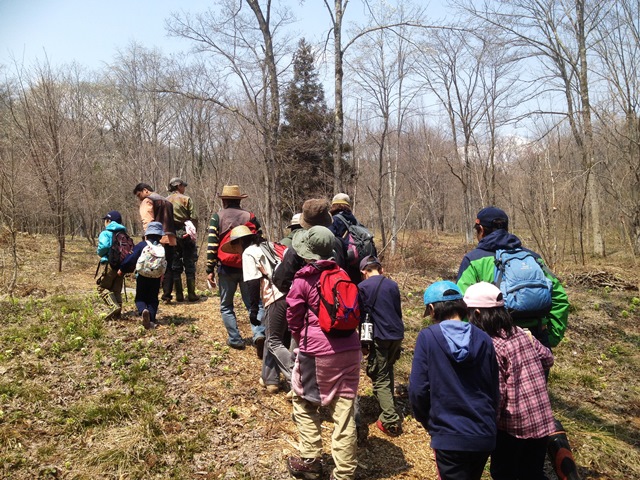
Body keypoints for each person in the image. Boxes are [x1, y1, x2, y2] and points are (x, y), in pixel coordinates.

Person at [286, 226, 361, 480]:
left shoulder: (303, 279)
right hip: (351, 349)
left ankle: (311, 461)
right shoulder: (343, 274)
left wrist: (300, 341)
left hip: (318, 353)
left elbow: (293, 318)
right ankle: (344, 474)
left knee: (303, 402)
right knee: (344, 411)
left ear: (307, 252)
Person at [464, 282, 555, 480]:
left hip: (513, 426)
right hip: (541, 418)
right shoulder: (521, 332)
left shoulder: (491, 344)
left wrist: (486, 428)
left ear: (477, 313)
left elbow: (498, 393)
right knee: (532, 472)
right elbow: (548, 358)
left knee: (504, 473)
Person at [409, 281, 499, 480]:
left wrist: (428, 421)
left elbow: (417, 390)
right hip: (483, 433)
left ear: (432, 310)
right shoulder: (484, 338)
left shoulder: (428, 338)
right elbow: (493, 389)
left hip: (449, 434)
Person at [456, 206, 569, 349]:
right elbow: (560, 298)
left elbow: (460, 304)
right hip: (536, 340)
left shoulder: (473, 260)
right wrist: (551, 337)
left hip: (494, 343)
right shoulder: (532, 258)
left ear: (481, 230)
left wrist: (470, 345)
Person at [221, 225, 293, 395]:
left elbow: (252, 283)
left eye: (235, 246)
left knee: (274, 341)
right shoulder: (272, 245)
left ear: (240, 242)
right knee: (274, 337)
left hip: (275, 296)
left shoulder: (249, 253)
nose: (236, 251)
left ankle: (297, 379)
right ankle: (270, 379)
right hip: (292, 294)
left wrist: (254, 309)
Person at [206, 185, 265, 354]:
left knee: (226, 306)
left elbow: (212, 245)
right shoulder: (250, 216)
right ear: (239, 200)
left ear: (224, 200)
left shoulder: (218, 217)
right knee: (254, 303)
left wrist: (209, 268)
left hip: (227, 267)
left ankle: (235, 339)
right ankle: (259, 334)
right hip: (250, 266)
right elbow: (260, 240)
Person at [357, 255, 404, 436]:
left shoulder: (362, 287)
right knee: (387, 369)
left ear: (364, 272)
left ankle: (390, 419)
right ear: (381, 269)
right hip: (396, 334)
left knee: (380, 375)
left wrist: (363, 342)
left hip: (380, 336)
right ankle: (388, 403)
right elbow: (397, 311)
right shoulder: (392, 285)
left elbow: (362, 319)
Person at [272, 198, 346, 295]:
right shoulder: (338, 243)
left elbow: (281, 282)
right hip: (335, 299)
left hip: (305, 304)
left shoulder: (297, 247)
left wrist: (301, 288)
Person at [132, 183, 177, 304]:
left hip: (156, 239)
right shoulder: (167, 201)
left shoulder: (148, 200)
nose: (139, 198)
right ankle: (167, 296)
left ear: (145, 190)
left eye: (139, 194)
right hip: (171, 238)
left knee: (151, 266)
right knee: (168, 268)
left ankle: (151, 295)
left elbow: (147, 221)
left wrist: (147, 239)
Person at [118, 222, 165, 329]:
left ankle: (143, 310)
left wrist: (122, 269)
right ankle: (151, 319)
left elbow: (131, 258)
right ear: (160, 236)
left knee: (140, 297)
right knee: (153, 299)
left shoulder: (141, 245)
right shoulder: (160, 248)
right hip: (156, 277)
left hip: (142, 276)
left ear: (146, 235)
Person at [328, 193, 374, 284]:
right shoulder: (354, 220)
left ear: (333, 205)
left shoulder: (334, 220)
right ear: (348, 205)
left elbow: (328, 241)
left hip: (343, 265)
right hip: (358, 264)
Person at [166, 177, 199, 302]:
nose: (184, 188)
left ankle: (179, 294)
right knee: (189, 262)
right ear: (178, 186)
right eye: (183, 186)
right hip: (185, 232)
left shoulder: (166, 200)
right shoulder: (186, 199)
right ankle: (191, 294)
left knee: (175, 264)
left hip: (171, 234)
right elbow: (194, 217)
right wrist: (192, 232)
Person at [96, 210, 128, 320]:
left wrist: (100, 253)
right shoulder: (124, 234)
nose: (105, 222)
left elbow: (103, 247)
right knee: (116, 290)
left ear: (109, 221)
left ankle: (113, 306)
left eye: (106, 220)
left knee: (102, 287)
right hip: (122, 266)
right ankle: (117, 315)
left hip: (110, 265)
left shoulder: (106, 233)